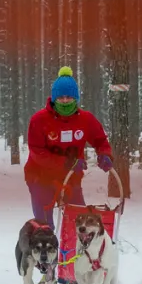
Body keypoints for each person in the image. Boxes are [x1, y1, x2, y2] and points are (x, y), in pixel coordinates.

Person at [24, 66, 114, 228]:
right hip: (41, 177)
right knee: (45, 227)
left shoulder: (85, 119)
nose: (65, 101)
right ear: (54, 98)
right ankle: (46, 250)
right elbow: (37, 153)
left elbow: (100, 140)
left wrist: (105, 154)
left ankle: (73, 252)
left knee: (79, 224)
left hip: (71, 177)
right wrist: (66, 162)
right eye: (61, 97)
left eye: (69, 97)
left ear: (76, 98)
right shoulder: (39, 120)